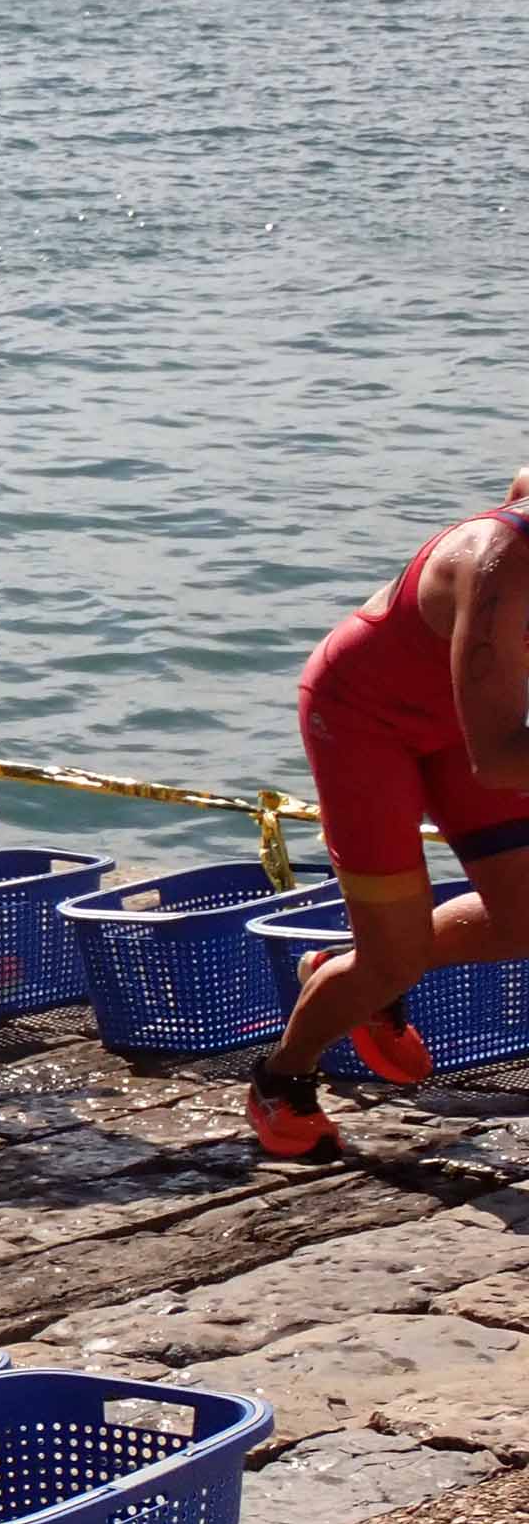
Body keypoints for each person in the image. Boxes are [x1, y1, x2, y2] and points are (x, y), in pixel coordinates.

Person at [249, 489, 529, 1157]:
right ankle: (282, 1076)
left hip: (462, 722)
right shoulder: (502, 563)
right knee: (391, 958)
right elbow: (498, 761)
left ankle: (350, 975)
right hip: (360, 718)